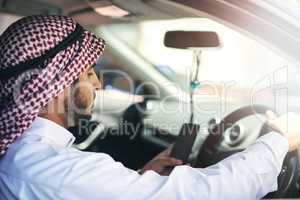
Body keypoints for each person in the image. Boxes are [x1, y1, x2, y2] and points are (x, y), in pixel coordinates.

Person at [0, 15, 299, 200]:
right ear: (57, 83)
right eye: (90, 74)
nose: (99, 86)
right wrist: (279, 140)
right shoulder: (57, 171)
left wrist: (141, 178)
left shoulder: (26, 155)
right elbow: (211, 194)